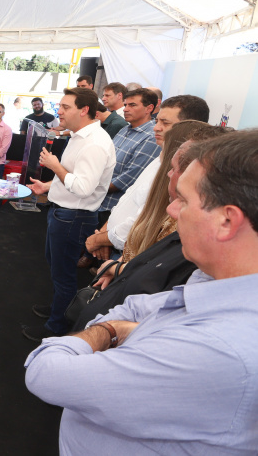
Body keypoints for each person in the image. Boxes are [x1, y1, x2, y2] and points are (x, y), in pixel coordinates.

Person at [25, 129, 258, 455]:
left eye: (184, 201)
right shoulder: (213, 281)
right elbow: (138, 305)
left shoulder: (219, 349)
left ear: (226, 221)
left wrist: (106, 331)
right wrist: (124, 328)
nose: (173, 212)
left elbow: (44, 372)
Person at [72, 125, 228, 332]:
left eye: (185, 201)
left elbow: (154, 294)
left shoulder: (193, 250)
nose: (172, 210)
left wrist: (120, 269)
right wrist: (121, 268)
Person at [24, 88, 116, 342]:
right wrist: (48, 185)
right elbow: (71, 176)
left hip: (74, 217)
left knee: (64, 275)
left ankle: (57, 326)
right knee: (56, 269)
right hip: (63, 213)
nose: (59, 111)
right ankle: (58, 308)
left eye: (65, 107)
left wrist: (54, 166)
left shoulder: (95, 143)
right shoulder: (79, 137)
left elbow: (84, 188)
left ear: (84, 110)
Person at [84, 95, 209, 259]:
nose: (156, 128)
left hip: (131, 253)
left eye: (165, 123)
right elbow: (129, 199)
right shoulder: (159, 159)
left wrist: (100, 239)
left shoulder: (179, 172)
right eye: (157, 121)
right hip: (117, 245)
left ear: (188, 128)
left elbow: (144, 220)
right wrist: (103, 235)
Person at [96, 89, 160, 226]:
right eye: (125, 105)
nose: (126, 109)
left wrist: (90, 188)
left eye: (132, 105)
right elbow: (106, 161)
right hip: (98, 201)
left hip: (112, 210)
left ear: (149, 108)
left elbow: (127, 180)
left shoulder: (151, 137)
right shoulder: (124, 129)